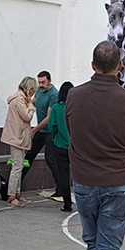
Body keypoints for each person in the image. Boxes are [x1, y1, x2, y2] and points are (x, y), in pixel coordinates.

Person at [65, 41, 125, 250]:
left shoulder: (74, 95)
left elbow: (71, 131)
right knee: (107, 248)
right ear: (120, 66)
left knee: (93, 243)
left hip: (84, 180)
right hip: (117, 179)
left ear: (93, 65)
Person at [22, 71, 62, 197]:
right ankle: (16, 184)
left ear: (49, 81)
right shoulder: (40, 91)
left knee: (50, 159)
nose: (41, 85)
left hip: (49, 132)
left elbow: (49, 118)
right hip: (40, 131)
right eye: (39, 82)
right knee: (29, 155)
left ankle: (60, 187)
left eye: (43, 82)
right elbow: (32, 101)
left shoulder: (54, 94)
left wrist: (34, 129)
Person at [0, 77, 36, 207]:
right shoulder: (19, 100)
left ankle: (17, 193)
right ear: (29, 89)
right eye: (33, 90)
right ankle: (11, 195)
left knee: (19, 166)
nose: (33, 94)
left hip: (18, 137)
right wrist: (31, 105)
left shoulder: (19, 99)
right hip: (16, 137)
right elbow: (27, 116)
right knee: (17, 166)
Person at [48, 81, 74, 212]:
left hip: (60, 145)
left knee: (64, 176)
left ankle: (67, 204)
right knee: (79, 175)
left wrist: (55, 136)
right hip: (75, 147)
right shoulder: (76, 107)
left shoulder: (57, 108)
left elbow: (51, 126)